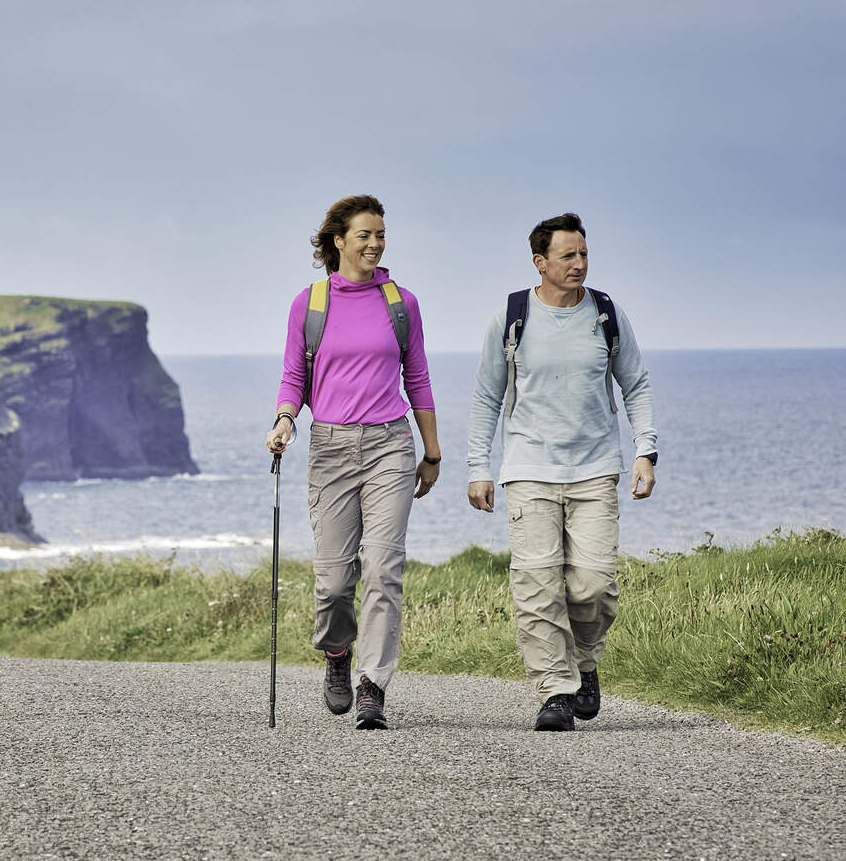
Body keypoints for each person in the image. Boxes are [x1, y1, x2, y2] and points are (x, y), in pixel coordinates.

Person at [465, 212, 657, 732]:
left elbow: (634, 385)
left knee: (592, 585)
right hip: (528, 468)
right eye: (568, 256)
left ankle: (585, 661)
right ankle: (555, 690)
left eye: (584, 254)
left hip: (596, 469)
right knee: (537, 584)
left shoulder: (606, 314)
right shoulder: (512, 316)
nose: (579, 264)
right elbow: (487, 396)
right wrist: (478, 467)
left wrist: (646, 451)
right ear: (540, 262)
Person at [265, 194, 439, 731]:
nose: (375, 243)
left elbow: (419, 379)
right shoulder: (310, 303)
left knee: (383, 569)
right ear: (338, 240)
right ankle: (338, 654)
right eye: (364, 234)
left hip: (391, 443)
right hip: (332, 447)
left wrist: (432, 452)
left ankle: (372, 686)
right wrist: (284, 419)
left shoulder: (401, 302)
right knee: (335, 581)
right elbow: (295, 375)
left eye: (381, 234)